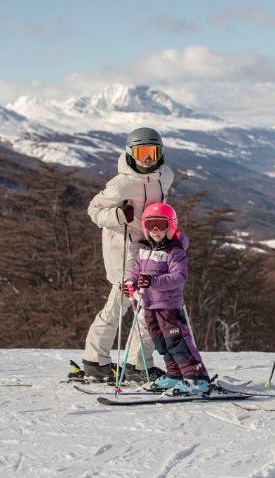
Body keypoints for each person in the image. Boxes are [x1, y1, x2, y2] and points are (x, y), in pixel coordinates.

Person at [82, 127, 174, 382]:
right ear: (131, 154)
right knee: (131, 304)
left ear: (160, 152)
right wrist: (116, 216)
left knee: (139, 304)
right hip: (123, 249)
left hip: (150, 247)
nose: (147, 159)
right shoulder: (121, 184)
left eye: (153, 152)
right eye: (142, 153)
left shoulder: (165, 175)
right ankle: (124, 364)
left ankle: (113, 362)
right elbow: (94, 209)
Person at [124, 202, 210, 395]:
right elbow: (137, 273)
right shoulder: (144, 250)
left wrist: (152, 281)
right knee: (161, 343)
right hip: (149, 304)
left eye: (161, 225)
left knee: (176, 341)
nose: (156, 230)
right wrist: (131, 284)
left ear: (170, 226)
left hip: (168, 305)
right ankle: (174, 375)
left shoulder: (175, 251)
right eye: (151, 224)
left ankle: (197, 378)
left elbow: (179, 278)